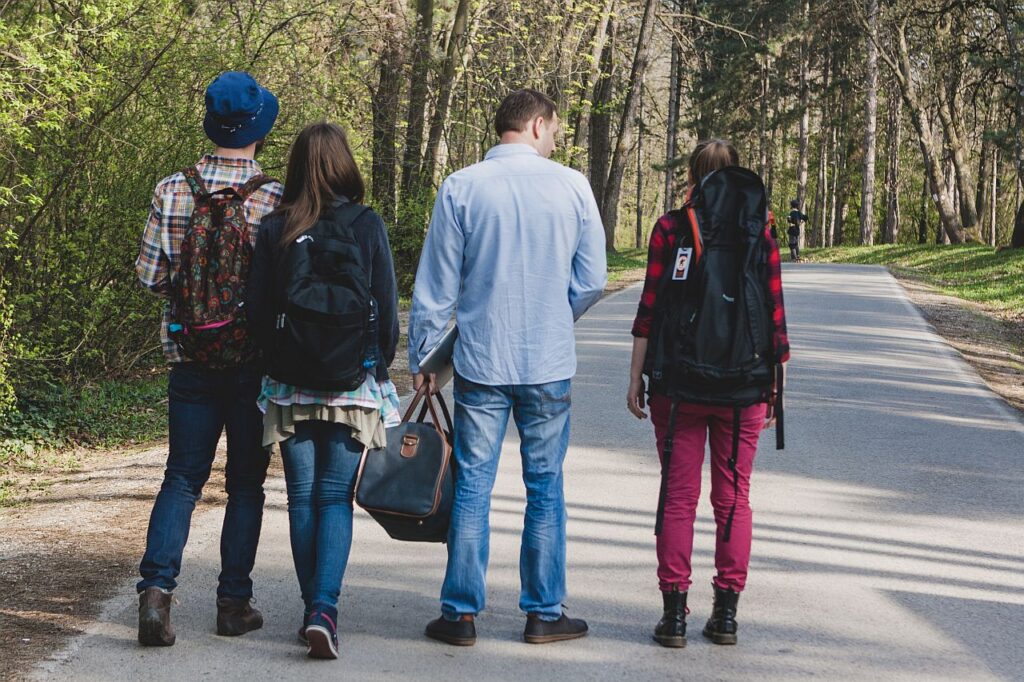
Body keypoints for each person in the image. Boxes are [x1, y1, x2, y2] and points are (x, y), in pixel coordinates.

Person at [408, 88, 607, 647]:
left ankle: (460, 614)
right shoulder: (572, 186)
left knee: (474, 482)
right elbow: (592, 279)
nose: (557, 139)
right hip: (547, 359)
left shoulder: (462, 187)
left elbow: (436, 285)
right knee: (544, 485)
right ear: (538, 124)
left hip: (482, 359)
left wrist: (425, 357)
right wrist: (555, 315)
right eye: (556, 129)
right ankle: (544, 611)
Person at [134, 71, 282, 647]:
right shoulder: (275, 198)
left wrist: (192, 297)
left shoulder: (172, 189)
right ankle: (233, 605)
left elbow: (150, 277)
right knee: (245, 485)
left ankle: (156, 592)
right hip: (253, 363)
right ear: (258, 130)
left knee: (182, 477)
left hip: (189, 355)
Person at [626, 139, 790, 648]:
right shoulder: (761, 230)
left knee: (678, 496)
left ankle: (674, 615)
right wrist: (775, 388)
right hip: (745, 385)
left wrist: (636, 377)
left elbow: (650, 308)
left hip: (679, 386)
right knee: (734, 496)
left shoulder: (670, 227)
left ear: (694, 177)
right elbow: (775, 315)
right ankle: (726, 615)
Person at [246, 122, 401, 660]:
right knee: (335, 496)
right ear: (344, 165)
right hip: (352, 383)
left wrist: (275, 360)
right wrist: (376, 366)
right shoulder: (367, 223)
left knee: (301, 497)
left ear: (295, 168)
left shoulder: (276, 227)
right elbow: (386, 308)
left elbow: (257, 311)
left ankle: (312, 606)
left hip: (289, 383)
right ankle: (324, 610)